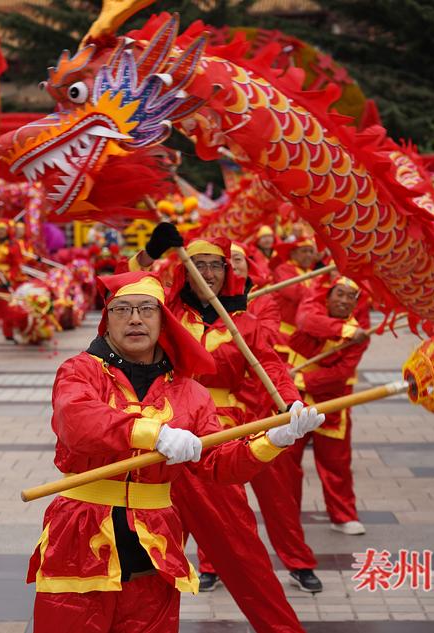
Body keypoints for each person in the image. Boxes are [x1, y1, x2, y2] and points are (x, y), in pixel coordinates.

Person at [30, 270, 323, 632]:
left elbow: (218, 464)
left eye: (146, 309)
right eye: (122, 309)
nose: (135, 318)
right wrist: (153, 434)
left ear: (163, 319)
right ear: (106, 320)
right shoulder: (80, 371)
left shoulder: (189, 392)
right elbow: (75, 419)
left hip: (154, 546)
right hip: (81, 539)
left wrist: (273, 440)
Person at [131, 223, 323, 613]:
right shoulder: (167, 314)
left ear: (227, 271)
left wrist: (291, 404)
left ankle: (286, 580)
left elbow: (271, 365)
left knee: (237, 533)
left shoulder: (245, 324)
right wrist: (150, 253)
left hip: (226, 434)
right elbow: (129, 289)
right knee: (153, 542)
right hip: (165, 432)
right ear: (185, 271)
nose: (208, 273)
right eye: (198, 264)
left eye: (215, 265)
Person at [281, 277, 371, 534]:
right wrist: (344, 331)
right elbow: (306, 322)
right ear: (328, 296)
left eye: (350, 297)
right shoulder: (314, 308)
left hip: (331, 400)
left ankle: (343, 516)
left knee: (336, 462)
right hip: (294, 398)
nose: (344, 300)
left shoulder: (361, 335)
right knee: (287, 460)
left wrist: (301, 379)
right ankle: (287, 516)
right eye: (339, 294)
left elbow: (340, 373)